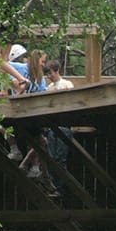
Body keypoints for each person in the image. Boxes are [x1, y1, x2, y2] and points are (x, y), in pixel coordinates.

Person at [44, 59, 74, 197]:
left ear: (57, 71)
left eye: (50, 73)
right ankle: (53, 187)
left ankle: (61, 189)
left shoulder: (67, 84)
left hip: (64, 126)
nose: (49, 76)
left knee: (60, 158)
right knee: (51, 158)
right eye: (47, 73)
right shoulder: (48, 88)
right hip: (52, 127)